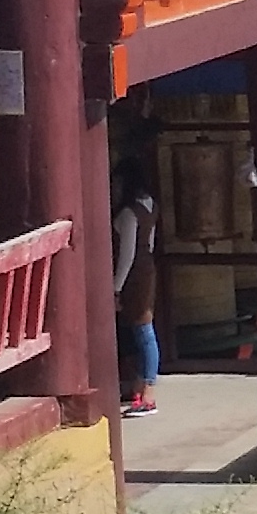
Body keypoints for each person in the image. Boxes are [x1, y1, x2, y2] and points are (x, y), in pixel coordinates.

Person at [106, 162, 162, 416]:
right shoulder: (151, 205)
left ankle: (148, 394)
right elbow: (148, 244)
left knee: (143, 331)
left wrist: (115, 288)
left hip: (133, 276)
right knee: (142, 331)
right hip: (147, 268)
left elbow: (127, 254)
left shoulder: (129, 213)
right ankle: (140, 387)